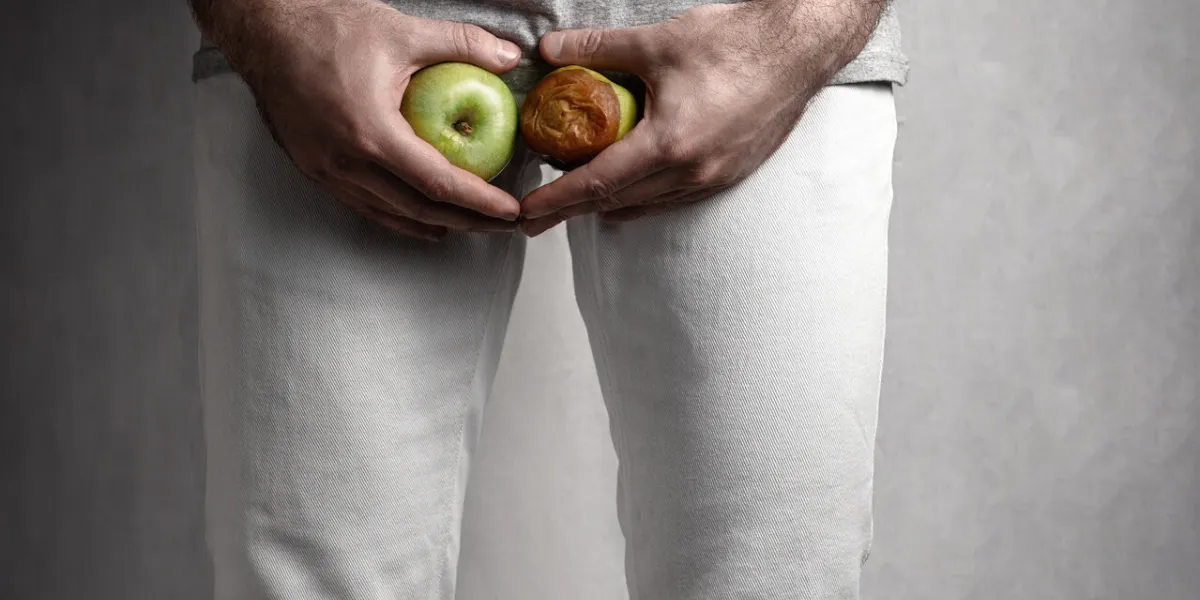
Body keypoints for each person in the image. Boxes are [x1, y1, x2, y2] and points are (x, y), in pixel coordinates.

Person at [187, 0, 908, 597]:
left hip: (747, 28)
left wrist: (797, 28)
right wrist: (275, 18)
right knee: (306, 577)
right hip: (342, 33)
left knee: (778, 573)